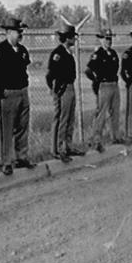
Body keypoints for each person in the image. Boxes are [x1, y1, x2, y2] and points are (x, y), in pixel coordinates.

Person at [0, 17, 36, 176]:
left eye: (21, 32)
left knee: (23, 126)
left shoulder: (22, 50)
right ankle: (7, 162)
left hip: (22, 91)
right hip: (8, 93)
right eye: (17, 31)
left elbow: (24, 69)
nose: (20, 34)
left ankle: (22, 157)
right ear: (8, 32)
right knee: (7, 129)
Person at [45, 23, 82, 163]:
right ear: (67, 38)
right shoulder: (58, 53)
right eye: (72, 37)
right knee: (63, 119)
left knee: (70, 119)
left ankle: (68, 146)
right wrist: (55, 91)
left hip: (70, 87)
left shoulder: (68, 52)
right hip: (63, 89)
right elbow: (50, 75)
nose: (74, 39)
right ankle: (60, 148)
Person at [85, 28, 122, 152]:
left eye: (110, 39)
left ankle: (115, 137)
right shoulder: (98, 54)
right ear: (101, 40)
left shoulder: (113, 53)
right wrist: (97, 81)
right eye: (106, 38)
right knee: (101, 113)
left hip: (114, 85)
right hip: (104, 85)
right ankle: (96, 140)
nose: (108, 41)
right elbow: (88, 70)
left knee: (115, 112)